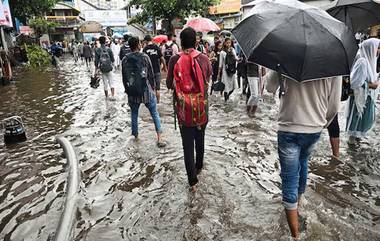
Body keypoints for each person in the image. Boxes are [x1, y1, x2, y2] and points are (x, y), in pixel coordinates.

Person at [266, 71, 342, 239]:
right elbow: (334, 106)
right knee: (303, 162)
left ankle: (295, 236)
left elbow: (269, 88)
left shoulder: (286, 53)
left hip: (289, 127)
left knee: (289, 179)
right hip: (314, 128)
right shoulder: (334, 63)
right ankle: (298, 203)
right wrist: (322, 123)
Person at [166, 27, 212, 192]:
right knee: (200, 140)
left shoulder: (174, 59)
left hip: (184, 110)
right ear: (196, 41)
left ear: (180, 42)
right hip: (201, 108)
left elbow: (169, 84)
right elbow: (207, 79)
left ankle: (193, 183)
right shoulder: (205, 59)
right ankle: (199, 168)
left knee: (187, 146)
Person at [122, 36, 165, 147]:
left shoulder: (125, 59)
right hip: (146, 91)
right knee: (154, 113)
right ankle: (160, 138)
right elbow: (150, 75)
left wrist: (127, 91)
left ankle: (136, 137)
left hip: (132, 92)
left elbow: (124, 77)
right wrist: (153, 89)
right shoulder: (145, 57)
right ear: (138, 45)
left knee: (134, 114)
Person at [346, 38, 380, 143]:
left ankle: (356, 146)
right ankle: (352, 150)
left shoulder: (370, 61)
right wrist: (371, 85)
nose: (379, 50)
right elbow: (354, 83)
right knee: (355, 126)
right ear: (370, 48)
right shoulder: (362, 62)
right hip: (359, 100)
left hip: (366, 99)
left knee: (361, 126)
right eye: (378, 47)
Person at [143, 35, 168, 103]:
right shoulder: (156, 47)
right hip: (157, 70)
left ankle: (152, 102)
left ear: (145, 41)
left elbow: (143, 61)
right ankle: (158, 102)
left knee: (151, 88)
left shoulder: (145, 49)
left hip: (149, 72)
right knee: (158, 88)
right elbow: (162, 58)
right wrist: (165, 67)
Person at [218, 38, 238, 102]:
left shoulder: (233, 50)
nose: (228, 44)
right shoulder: (222, 52)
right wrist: (219, 74)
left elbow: (236, 59)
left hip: (232, 71)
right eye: (227, 43)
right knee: (226, 87)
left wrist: (238, 59)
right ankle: (226, 101)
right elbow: (220, 64)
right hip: (225, 72)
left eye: (229, 43)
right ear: (224, 43)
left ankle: (228, 96)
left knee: (234, 87)